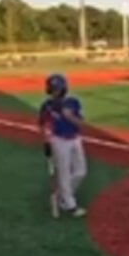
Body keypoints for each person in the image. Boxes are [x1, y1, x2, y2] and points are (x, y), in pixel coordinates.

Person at [39, 73, 88, 218]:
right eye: (54, 89)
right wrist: (47, 141)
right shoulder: (47, 106)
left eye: (59, 89)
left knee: (81, 171)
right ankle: (69, 204)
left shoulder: (73, 102)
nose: (56, 92)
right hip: (58, 141)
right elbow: (45, 125)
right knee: (64, 173)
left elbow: (81, 123)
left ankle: (61, 195)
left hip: (75, 139)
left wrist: (70, 116)